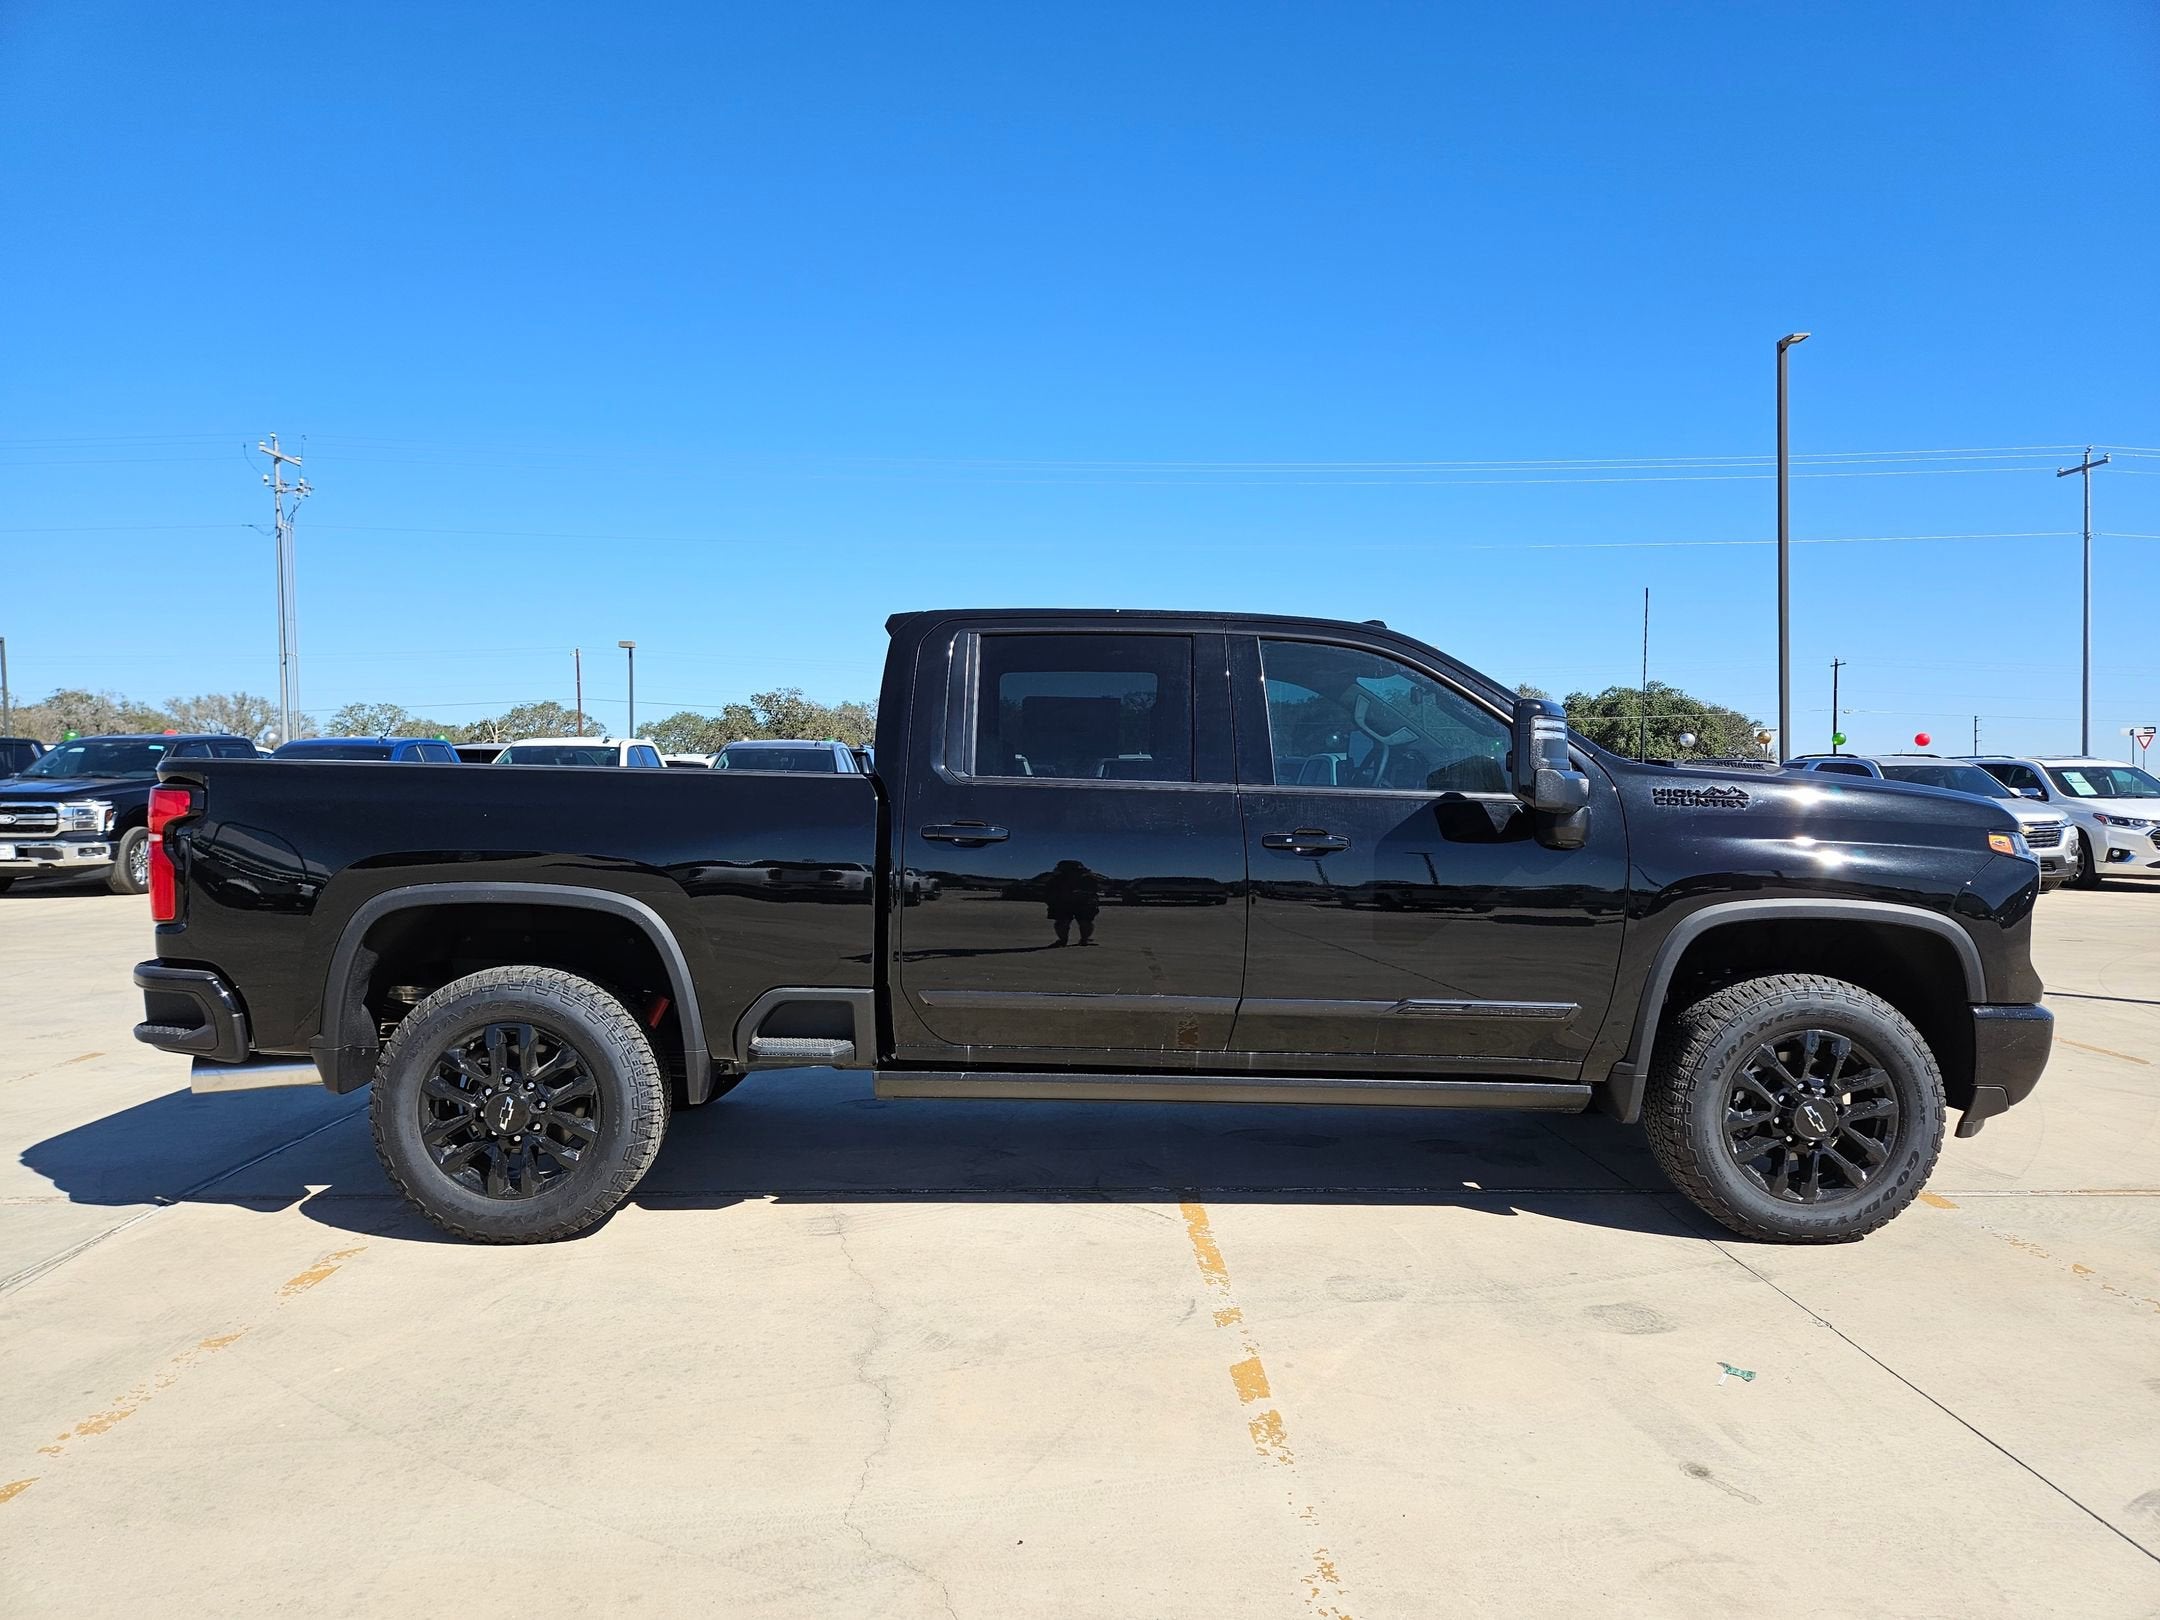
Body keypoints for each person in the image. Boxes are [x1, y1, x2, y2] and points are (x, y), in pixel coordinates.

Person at [1043, 858, 1102, 946]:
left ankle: (1064, 940)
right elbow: (1096, 888)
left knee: (1064, 921)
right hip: (1078, 902)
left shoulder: (1057, 877)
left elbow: (1049, 889)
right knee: (1083, 921)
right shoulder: (1087, 877)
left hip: (1068, 902)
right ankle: (1083, 940)